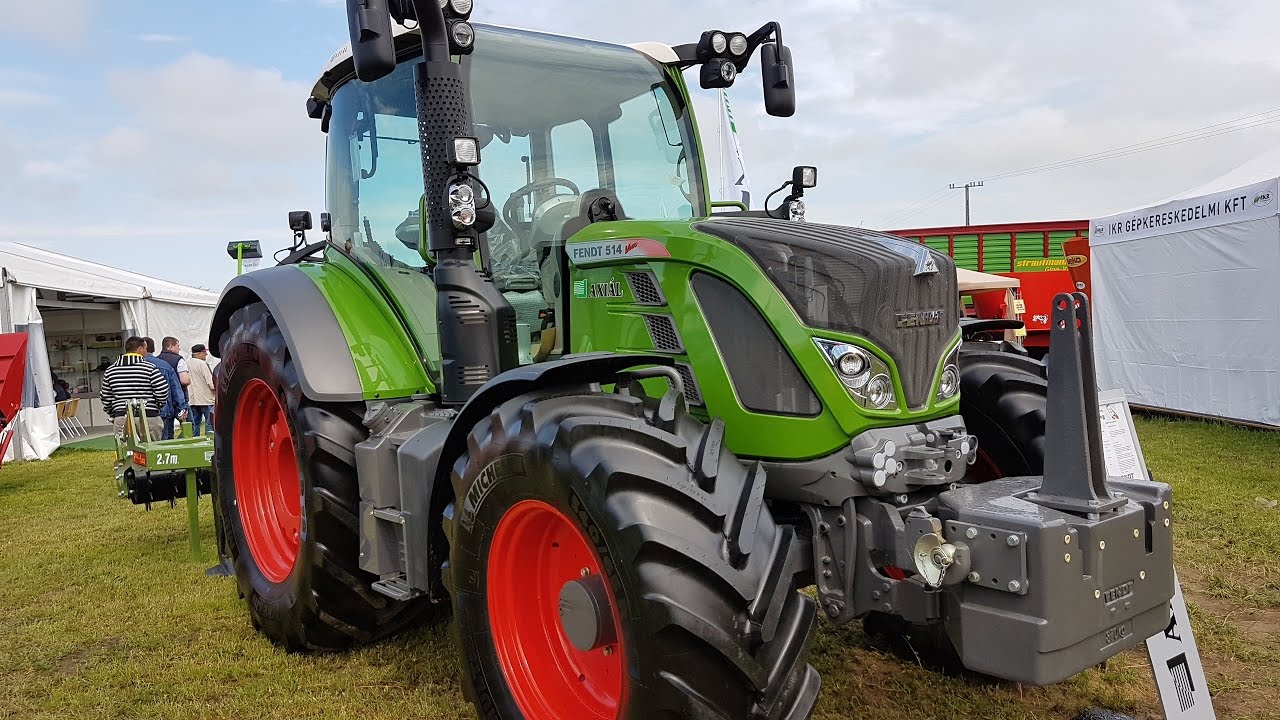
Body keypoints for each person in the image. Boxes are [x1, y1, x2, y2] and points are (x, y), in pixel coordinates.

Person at [100, 336, 168, 441]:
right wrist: (156, 406)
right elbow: (162, 391)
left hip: (122, 417)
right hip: (149, 416)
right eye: (145, 349)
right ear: (140, 349)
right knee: (151, 452)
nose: (146, 352)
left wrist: (114, 412)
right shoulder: (150, 368)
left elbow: (105, 396)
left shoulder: (110, 371)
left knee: (126, 453)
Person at [143, 336, 188, 440]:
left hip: (140, 411)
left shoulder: (135, 366)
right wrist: (182, 407)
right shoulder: (164, 365)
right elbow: (175, 389)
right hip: (164, 410)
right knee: (166, 444)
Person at [187, 344, 216, 436]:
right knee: (209, 424)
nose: (206, 354)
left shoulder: (186, 363)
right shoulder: (202, 364)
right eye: (204, 352)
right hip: (206, 399)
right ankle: (209, 443)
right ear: (199, 354)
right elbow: (210, 382)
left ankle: (194, 443)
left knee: (195, 424)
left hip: (192, 399)